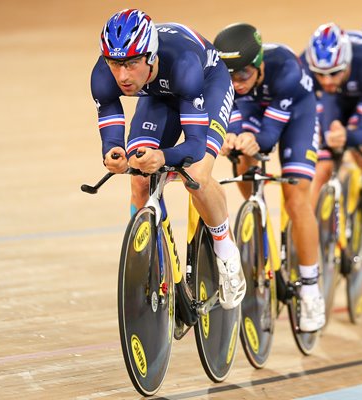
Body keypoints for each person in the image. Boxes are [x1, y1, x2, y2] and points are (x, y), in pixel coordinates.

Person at [90, 9, 245, 309]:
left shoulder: (184, 66)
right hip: (158, 96)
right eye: (115, 64)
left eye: (131, 64)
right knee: (138, 176)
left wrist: (162, 156)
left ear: (150, 56)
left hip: (206, 85)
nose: (122, 75)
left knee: (196, 175)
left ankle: (226, 251)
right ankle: (157, 265)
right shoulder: (103, 74)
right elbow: (109, 117)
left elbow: (196, 145)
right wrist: (113, 152)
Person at [213, 23, 325, 332]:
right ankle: (256, 210)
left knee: (297, 198)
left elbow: (270, 136)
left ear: (260, 64)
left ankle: (311, 289)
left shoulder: (286, 68)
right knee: (243, 157)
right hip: (253, 110)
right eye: (229, 77)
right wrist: (233, 138)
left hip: (296, 115)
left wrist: (253, 140)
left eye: (244, 76)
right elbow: (231, 114)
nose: (236, 84)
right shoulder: (233, 83)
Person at [300, 23, 362, 243]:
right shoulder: (304, 66)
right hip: (334, 98)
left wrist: (349, 136)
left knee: (360, 145)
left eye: (334, 73)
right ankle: (309, 233)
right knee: (321, 164)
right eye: (320, 74)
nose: (326, 80)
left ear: (346, 63)